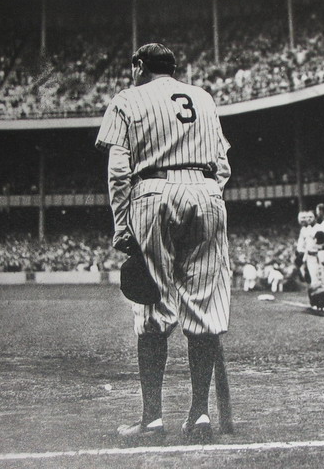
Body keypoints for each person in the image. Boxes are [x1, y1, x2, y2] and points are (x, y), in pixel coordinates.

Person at [95, 43, 232, 442]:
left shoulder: (127, 99)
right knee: (204, 307)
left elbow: (119, 171)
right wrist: (206, 193)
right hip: (207, 193)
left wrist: (123, 226)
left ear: (139, 66)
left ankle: (152, 420)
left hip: (153, 191)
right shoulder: (204, 98)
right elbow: (222, 165)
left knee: (154, 308)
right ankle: (200, 416)